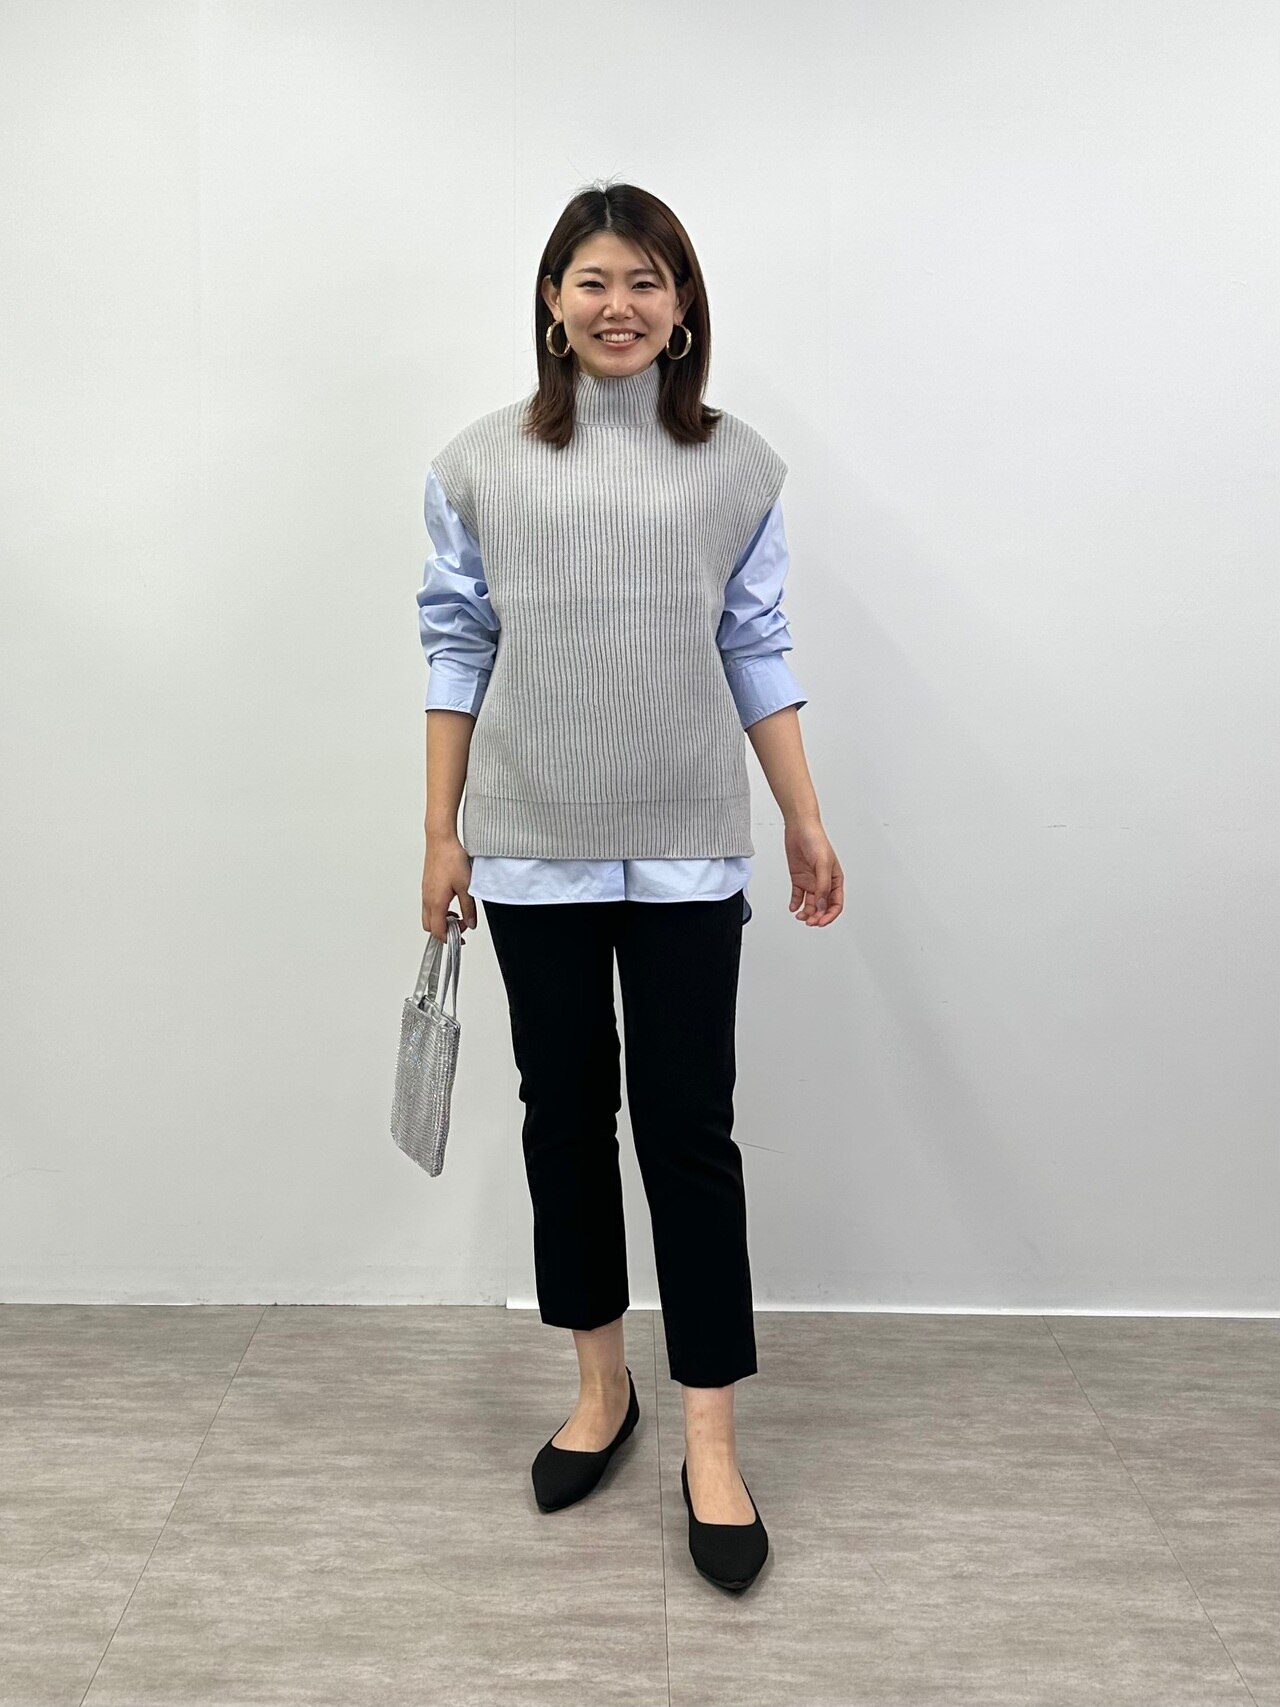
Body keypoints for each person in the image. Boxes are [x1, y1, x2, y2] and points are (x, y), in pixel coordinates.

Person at [416, 181, 843, 1591]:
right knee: (563, 1120)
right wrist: (440, 833)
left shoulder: (736, 466)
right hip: (529, 841)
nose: (620, 305)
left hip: (685, 847)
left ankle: (712, 1439)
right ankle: (601, 1391)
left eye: (647, 281)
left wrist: (804, 821)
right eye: (595, 279)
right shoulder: (479, 464)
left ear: (683, 305)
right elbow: (457, 647)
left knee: (688, 1132)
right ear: (553, 300)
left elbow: (755, 645)